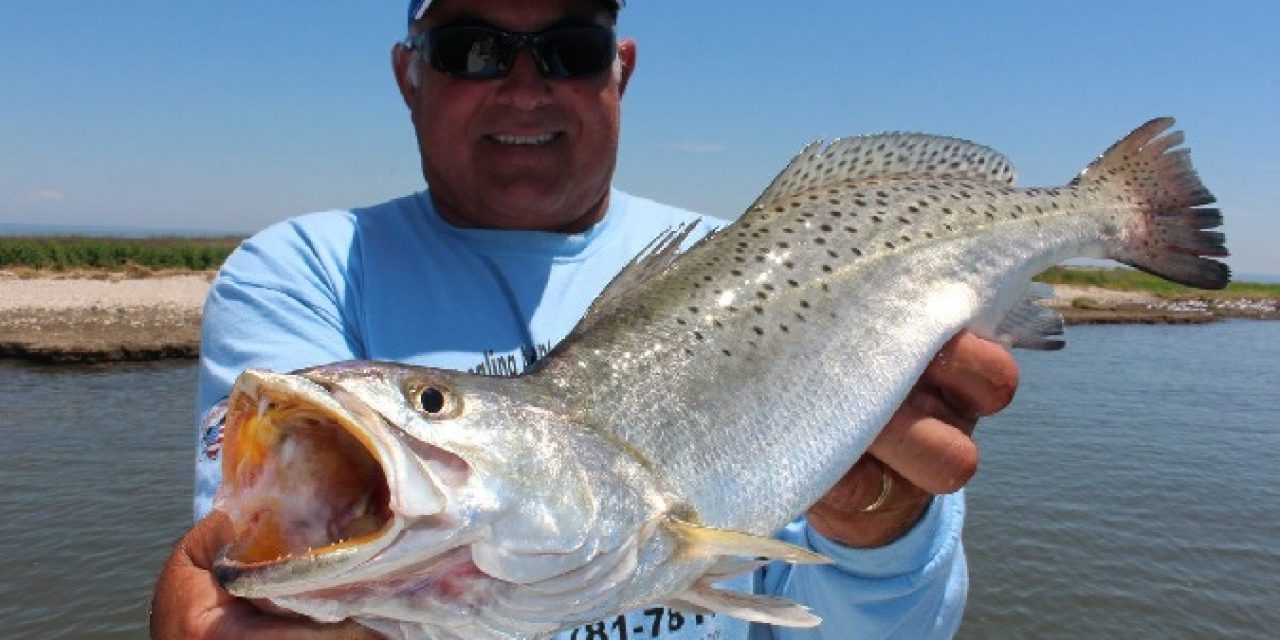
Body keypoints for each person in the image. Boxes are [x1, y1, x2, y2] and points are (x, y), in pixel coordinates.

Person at [150, 0, 1019, 638]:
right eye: (470, 47)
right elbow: (260, 568)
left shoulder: (763, 270)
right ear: (407, 71)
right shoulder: (302, 274)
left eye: (569, 47)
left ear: (621, 69)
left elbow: (891, 630)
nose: (523, 86)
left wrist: (880, 526)